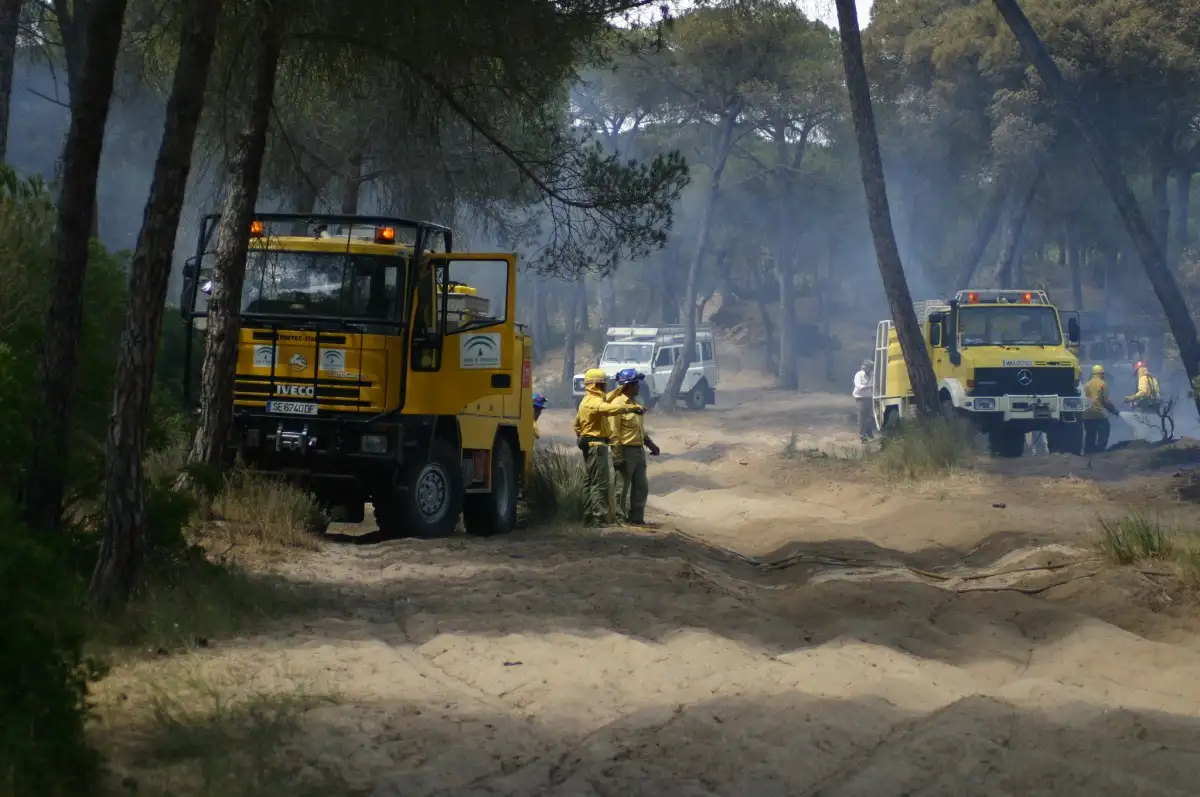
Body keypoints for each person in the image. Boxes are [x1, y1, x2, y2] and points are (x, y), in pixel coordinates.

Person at [573, 368, 643, 527]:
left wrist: (620, 389)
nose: (604, 388)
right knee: (600, 483)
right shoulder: (593, 402)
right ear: (596, 385)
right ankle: (600, 519)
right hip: (597, 445)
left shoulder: (586, 400)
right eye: (602, 384)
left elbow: (576, 424)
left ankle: (588, 517)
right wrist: (631, 408)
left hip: (590, 443)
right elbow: (608, 408)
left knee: (590, 482)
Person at [605, 369, 661, 526]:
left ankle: (636, 518)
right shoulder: (617, 406)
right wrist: (617, 455)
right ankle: (619, 518)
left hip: (639, 451)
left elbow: (640, 430)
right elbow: (614, 433)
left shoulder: (635, 405)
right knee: (621, 488)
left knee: (641, 487)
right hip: (625, 450)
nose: (639, 386)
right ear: (628, 385)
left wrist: (651, 445)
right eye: (637, 383)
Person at [1082, 364, 1120, 454]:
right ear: (1101, 374)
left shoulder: (1086, 385)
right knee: (1104, 432)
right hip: (1099, 414)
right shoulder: (1103, 384)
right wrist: (1114, 411)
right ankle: (1099, 452)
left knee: (1090, 434)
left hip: (1086, 414)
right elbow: (1106, 402)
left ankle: (1088, 453)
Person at [853, 359, 875, 442]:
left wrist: (869, 387)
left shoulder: (872, 374)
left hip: (869, 397)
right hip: (860, 398)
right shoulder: (859, 374)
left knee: (870, 417)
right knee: (862, 418)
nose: (870, 369)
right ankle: (862, 436)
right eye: (869, 367)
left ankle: (869, 432)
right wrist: (869, 386)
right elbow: (859, 387)